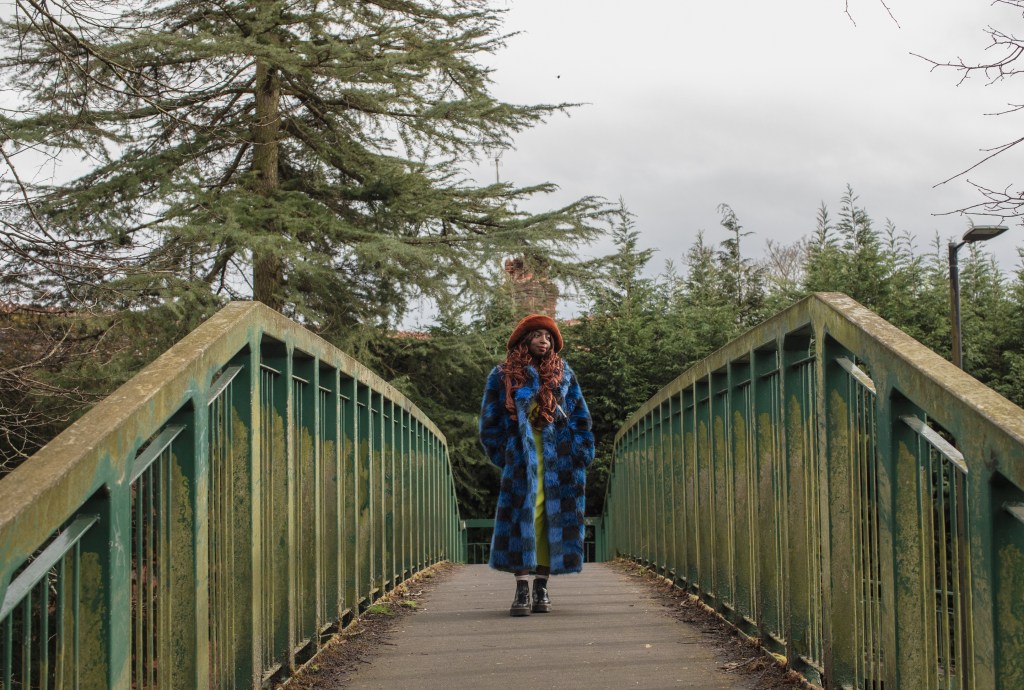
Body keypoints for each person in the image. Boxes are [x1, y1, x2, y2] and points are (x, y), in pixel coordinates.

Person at [478, 313, 595, 616]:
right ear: (524, 340)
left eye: (549, 338)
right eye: (538, 336)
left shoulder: (563, 375)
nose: (544, 342)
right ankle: (521, 590)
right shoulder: (502, 374)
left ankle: (541, 587)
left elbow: (581, 417)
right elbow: (489, 423)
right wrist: (506, 454)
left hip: (561, 461)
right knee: (525, 516)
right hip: (522, 461)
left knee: (549, 522)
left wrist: (581, 450)